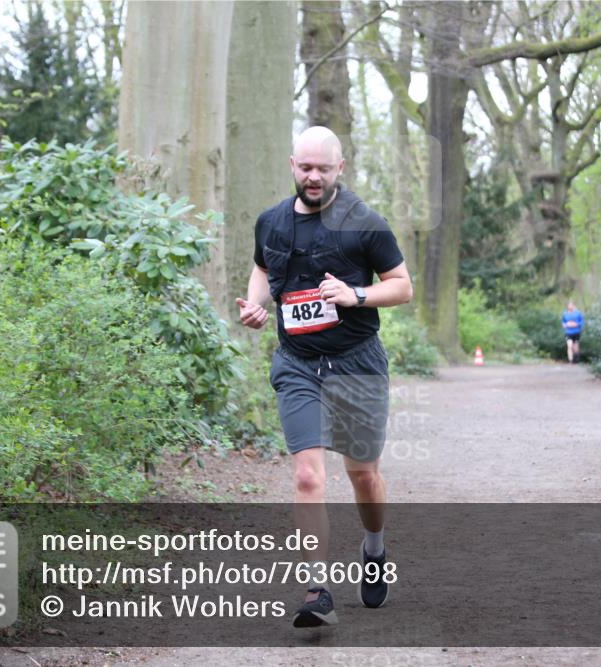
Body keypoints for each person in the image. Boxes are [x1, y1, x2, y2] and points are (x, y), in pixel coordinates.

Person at [236, 126, 412, 628]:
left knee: (363, 475)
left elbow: (402, 287)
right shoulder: (270, 221)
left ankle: (374, 549)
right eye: (305, 167)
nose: (313, 177)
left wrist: (355, 296)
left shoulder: (365, 224)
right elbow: (263, 269)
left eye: (323, 169)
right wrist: (255, 305)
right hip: (297, 364)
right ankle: (317, 590)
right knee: (308, 475)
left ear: (341, 169)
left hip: (356, 362)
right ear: (293, 165)